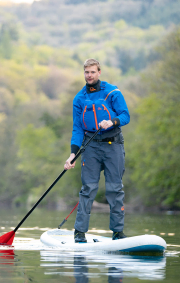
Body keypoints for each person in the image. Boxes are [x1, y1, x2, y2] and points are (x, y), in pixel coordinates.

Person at [64, 58, 130, 243]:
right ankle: (79, 233)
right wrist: (73, 154)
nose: (89, 75)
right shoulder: (79, 98)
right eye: (86, 72)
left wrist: (112, 122)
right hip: (91, 146)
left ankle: (118, 233)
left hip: (113, 144)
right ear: (83, 73)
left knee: (114, 189)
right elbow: (77, 128)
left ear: (99, 72)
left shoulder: (112, 92)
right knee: (88, 189)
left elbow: (125, 115)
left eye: (93, 72)